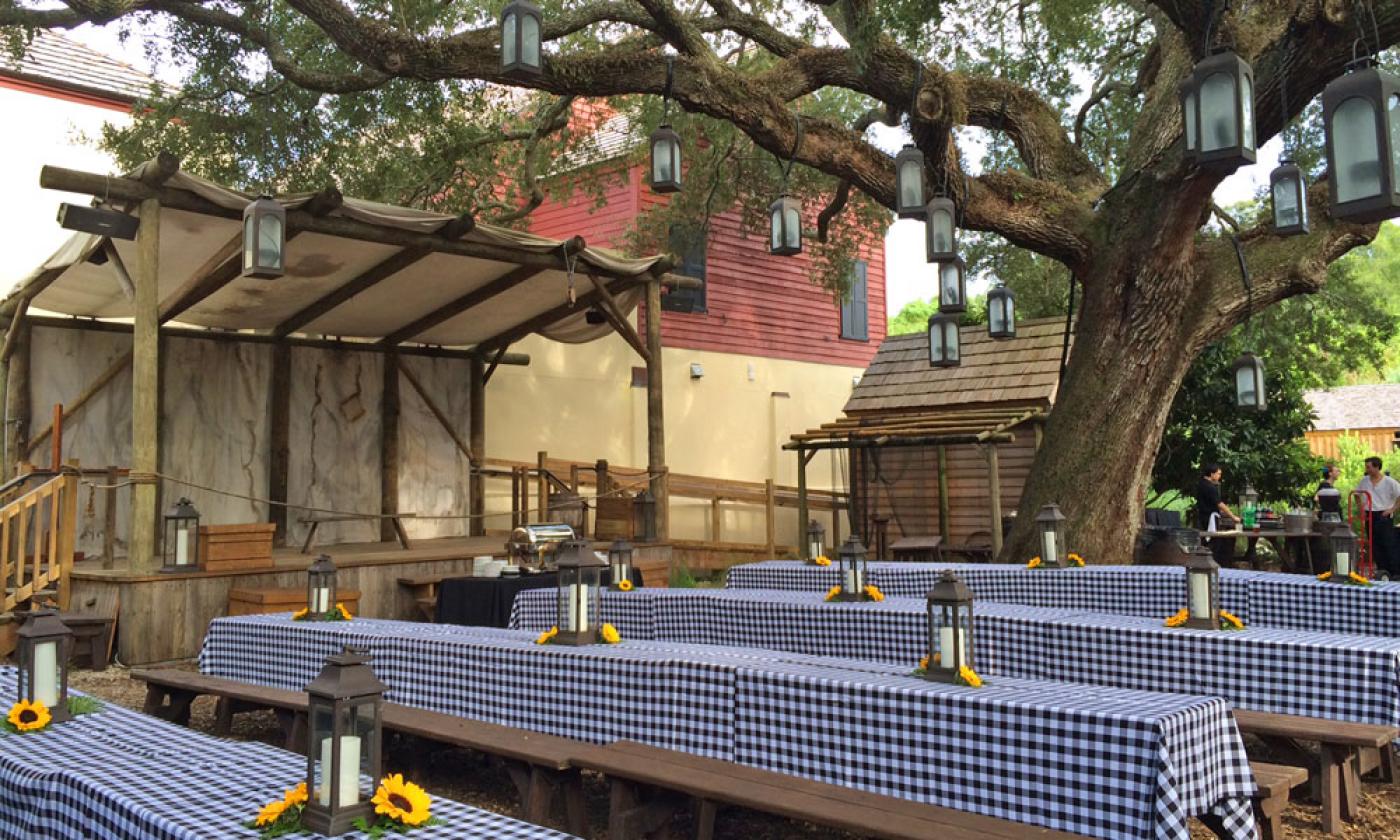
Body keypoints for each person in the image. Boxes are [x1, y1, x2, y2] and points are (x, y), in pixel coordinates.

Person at [1356, 457, 1400, 576]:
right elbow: (1356, 494)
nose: (1367, 469)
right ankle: (1382, 571)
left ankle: (1395, 572)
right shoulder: (1364, 481)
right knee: (1374, 544)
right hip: (1370, 513)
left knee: (1388, 543)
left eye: (1369, 467)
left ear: (1376, 467)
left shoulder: (1389, 482)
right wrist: (1361, 508)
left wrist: (1392, 509)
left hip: (1384, 514)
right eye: (1366, 467)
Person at [1196, 463, 1237, 564]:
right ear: (1212, 474)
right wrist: (1233, 516)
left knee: (1211, 540)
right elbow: (1219, 504)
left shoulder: (1201, 484)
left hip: (1204, 515)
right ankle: (1213, 562)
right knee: (1213, 541)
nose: (1219, 476)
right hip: (1209, 517)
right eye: (1218, 474)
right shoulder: (1209, 487)